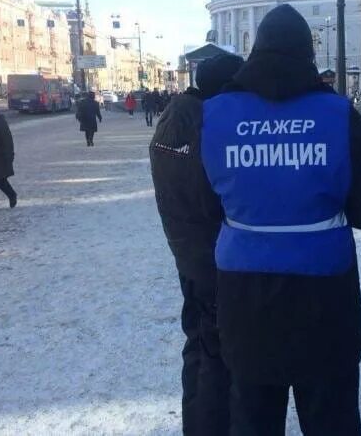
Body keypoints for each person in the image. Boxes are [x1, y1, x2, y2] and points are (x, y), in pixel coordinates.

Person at [200, 4, 361, 436]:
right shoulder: (340, 115)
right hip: (325, 297)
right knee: (331, 419)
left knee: (252, 417)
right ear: (308, 54)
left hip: (243, 295)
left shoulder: (214, 115)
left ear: (255, 51)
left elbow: (205, 204)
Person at [150, 53, 245, 436]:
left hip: (188, 252)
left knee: (200, 345)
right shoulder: (206, 126)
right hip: (211, 255)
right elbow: (217, 196)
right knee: (217, 353)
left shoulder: (175, 119)